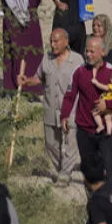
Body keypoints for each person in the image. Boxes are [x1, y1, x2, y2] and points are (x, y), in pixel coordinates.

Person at [60, 39, 112, 185]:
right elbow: (70, 95)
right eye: (87, 51)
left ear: (103, 52)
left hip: (107, 131)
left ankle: (110, 197)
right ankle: (92, 200)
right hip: (84, 129)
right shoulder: (80, 72)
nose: (88, 55)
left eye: (92, 51)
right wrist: (64, 115)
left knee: (108, 167)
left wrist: (107, 104)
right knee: (88, 168)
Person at [17, 28, 82, 183]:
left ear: (66, 42)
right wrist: (26, 81)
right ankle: (60, 169)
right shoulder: (47, 58)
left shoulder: (77, 60)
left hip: (71, 110)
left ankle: (65, 175)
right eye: (51, 41)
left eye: (56, 41)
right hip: (50, 109)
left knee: (71, 144)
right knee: (51, 144)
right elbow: (39, 78)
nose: (52, 44)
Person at [0, 0, 45, 95]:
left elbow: (3, 4)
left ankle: (10, 86)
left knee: (11, 54)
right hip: (30, 23)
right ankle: (31, 89)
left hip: (11, 23)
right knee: (32, 54)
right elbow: (37, 1)